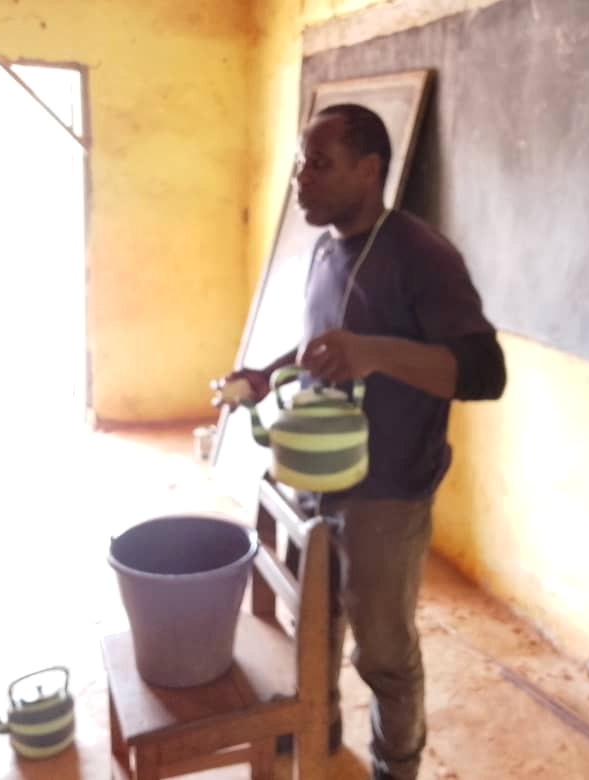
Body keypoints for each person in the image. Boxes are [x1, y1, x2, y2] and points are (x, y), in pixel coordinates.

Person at [217, 103, 507, 780]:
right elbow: (324, 344)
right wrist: (266, 377)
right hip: (317, 476)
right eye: (299, 163)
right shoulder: (326, 247)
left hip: (387, 493)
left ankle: (395, 766)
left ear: (369, 169)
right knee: (313, 624)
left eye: (319, 164)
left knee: (382, 653)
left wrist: (375, 353)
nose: (300, 179)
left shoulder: (422, 256)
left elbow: (485, 373)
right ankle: (315, 730)